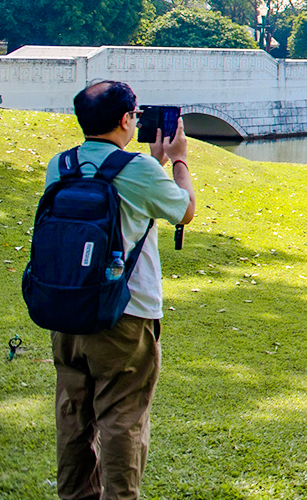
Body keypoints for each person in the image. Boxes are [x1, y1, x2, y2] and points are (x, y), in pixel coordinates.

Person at [50, 81, 195, 500]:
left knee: (73, 417)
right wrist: (178, 160)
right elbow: (184, 211)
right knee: (123, 419)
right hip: (125, 317)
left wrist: (153, 163)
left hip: (66, 309)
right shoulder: (137, 170)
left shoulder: (61, 165)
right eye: (134, 113)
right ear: (124, 120)